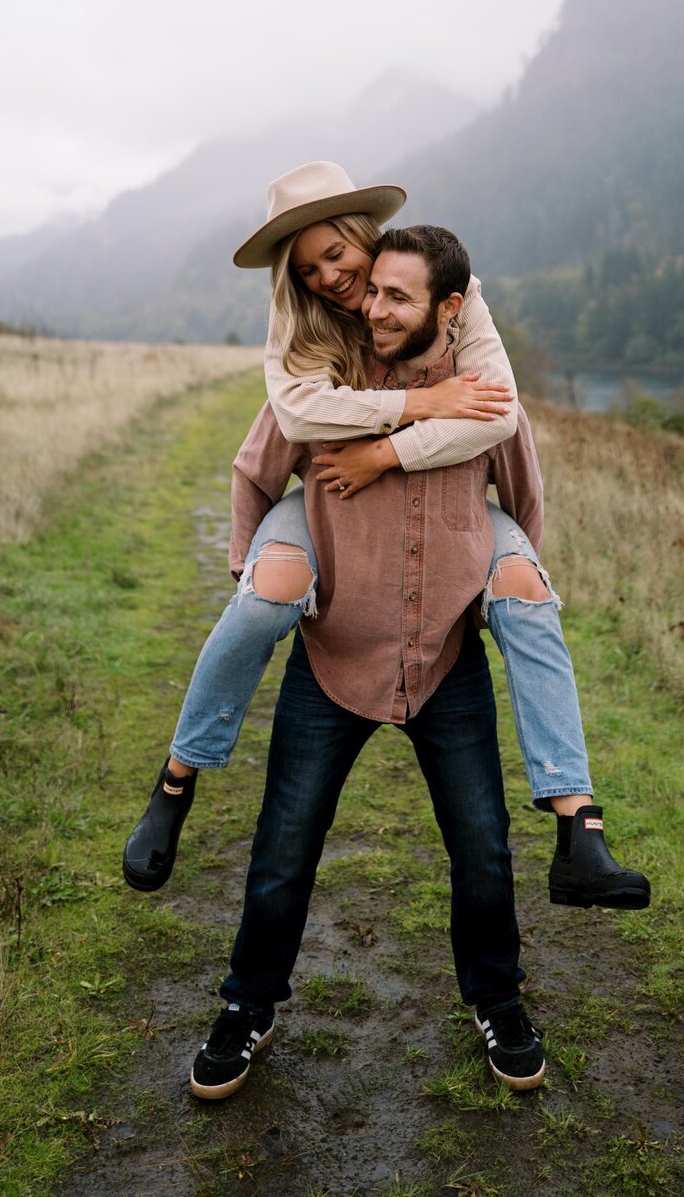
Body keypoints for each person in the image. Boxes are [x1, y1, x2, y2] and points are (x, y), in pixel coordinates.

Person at [123, 163, 649, 915]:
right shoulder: (301, 331)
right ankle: (177, 779)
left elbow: (504, 425)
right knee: (264, 597)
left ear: (364, 237)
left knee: (525, 595)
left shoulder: (450, 303)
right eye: (308, 270)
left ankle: (580, 827)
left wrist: (399, 461)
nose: (332, 278)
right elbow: (283, 435)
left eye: (338, 254)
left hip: (457, 513)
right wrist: (418, 405)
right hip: (322, 509)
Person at [191, 224, 553, 1098]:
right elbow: (254, 468)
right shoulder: (322, 386)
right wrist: (252, 570)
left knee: (483, 847)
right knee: (285, 845)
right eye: (372, 292)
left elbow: (524, 494)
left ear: (444, 307)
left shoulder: (476, 392)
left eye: (399, 296)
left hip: (444, 657)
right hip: (332, 655)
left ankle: (498, 1001)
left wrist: (502, 601)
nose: (374, 307)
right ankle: (248, 1006)